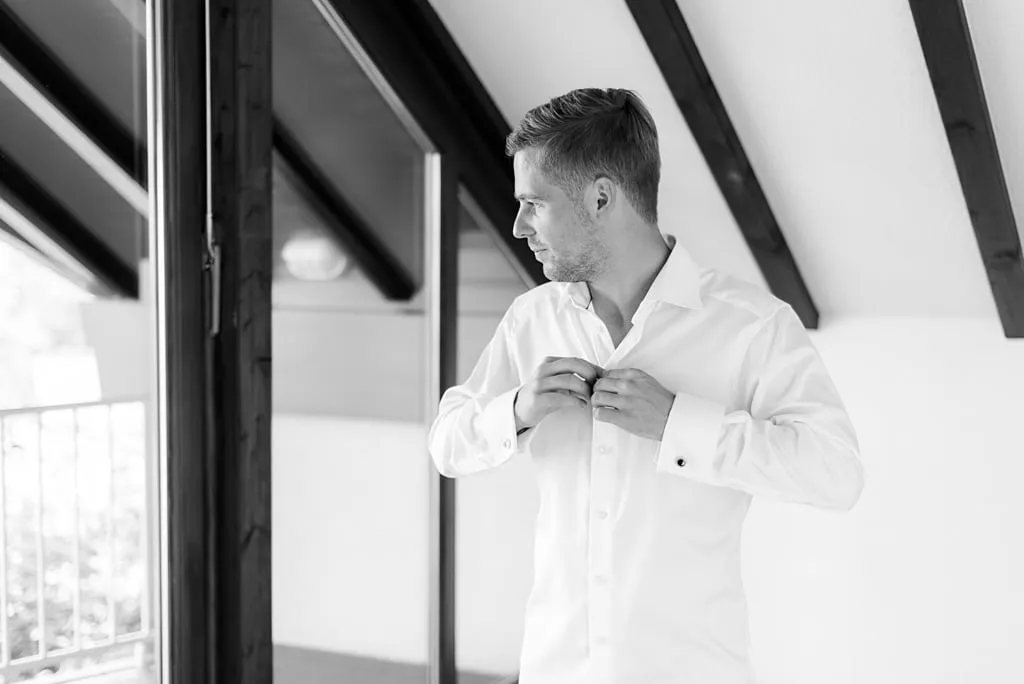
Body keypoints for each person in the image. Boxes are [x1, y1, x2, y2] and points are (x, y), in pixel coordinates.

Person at [428, 88, 864, 684]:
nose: (519, 225)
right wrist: (518, 409)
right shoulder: (532, 320)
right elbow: (446, 445)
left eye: (533, 203)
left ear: (601, 197)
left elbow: (836, 473)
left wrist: (678, 425)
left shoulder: (751, 326)